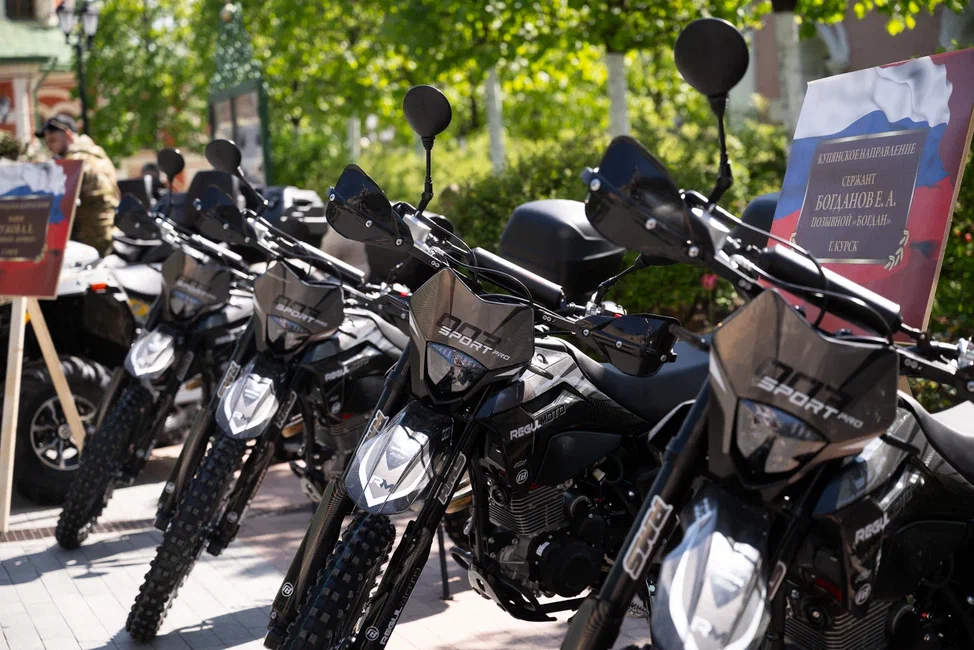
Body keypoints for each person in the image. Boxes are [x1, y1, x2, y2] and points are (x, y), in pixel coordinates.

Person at [36, 114, 119, 255]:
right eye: (47, 142)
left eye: (52, 140)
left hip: (87, 240)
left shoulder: (73, 162)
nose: (49, 146)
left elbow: (57, 203)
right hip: (108, 233)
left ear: (68, 135)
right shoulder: (98, 154)